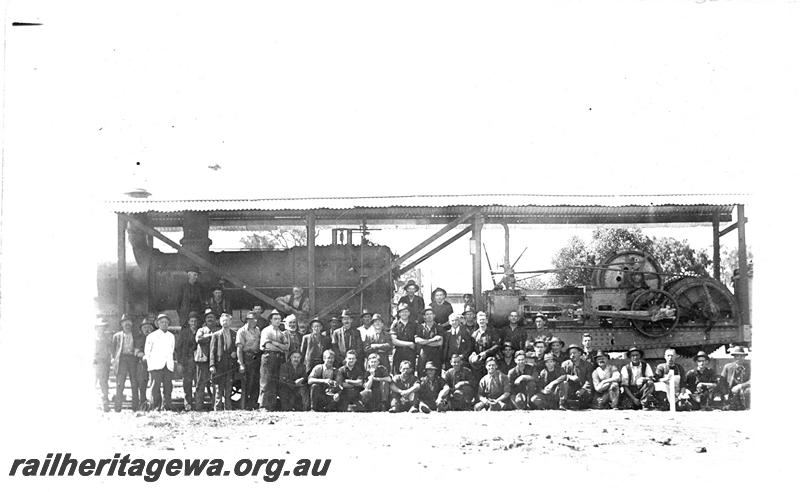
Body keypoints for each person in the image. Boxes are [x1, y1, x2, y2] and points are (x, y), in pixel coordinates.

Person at [144, 313, 176, 411]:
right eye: (162, 322)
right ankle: (156, 406)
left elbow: (172, 350)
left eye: (166, 322)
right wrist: (151, 365)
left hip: (167, 365)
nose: (164, 324)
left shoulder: (171, 336)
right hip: (156, 365)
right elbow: (147, 352)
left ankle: (167, 406)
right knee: (155, 387)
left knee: (168, 387)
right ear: (158, 324)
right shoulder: (152, 336)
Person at [111, 314, 142, 412]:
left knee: (134, 383)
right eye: (125, 322)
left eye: (129, 322)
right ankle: (118, 407)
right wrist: (114, 360)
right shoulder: (117, 336)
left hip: (132, 359)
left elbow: (138, 346)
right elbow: (113, 350)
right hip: (122, 360)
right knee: (120, 383)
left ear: (131, 324)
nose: (127, 324)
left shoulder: (136, 334)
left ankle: (135, 407)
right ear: (122, 324)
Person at [259, 309, 289, 411]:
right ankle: (263, 406)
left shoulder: (281, 332)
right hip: (268, 356)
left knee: (275, 381)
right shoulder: (266, 331)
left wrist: (275, 343)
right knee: (266, 381)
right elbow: (267, 345)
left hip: (278, 358)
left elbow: (286, 347)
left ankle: (271, 405)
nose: (278, 321)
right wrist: (280, 348)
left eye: (279, 319)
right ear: (270, 320)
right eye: (275, 319)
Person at [209, 313, 238, 411]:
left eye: (227, 321)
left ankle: (228, 407)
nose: (225, 322)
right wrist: (212, 365)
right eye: (223, 321)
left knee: (229, 387)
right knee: (218, 387)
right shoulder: (216, 335)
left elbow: (236, 348)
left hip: (230, 364)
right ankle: (217, 408)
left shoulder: (234, 334)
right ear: (220, 322)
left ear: (230, 322)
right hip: (219, 364)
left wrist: (235, 353)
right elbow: (212, 351)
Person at [236, 311, 262, 410]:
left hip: (256, 357)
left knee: (256, 382)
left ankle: (253, 403)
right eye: (251, 319)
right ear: (247, 320)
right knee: (248, 382)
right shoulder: (242, 331)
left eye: (255, 319)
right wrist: (241, 363)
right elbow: (239, 349)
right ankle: (245, 404)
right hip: (247, 357)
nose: (254, 321)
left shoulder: (257, 330)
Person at [176, 311, 201, 411]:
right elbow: (179, 348)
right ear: (189, 322)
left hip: (198, 361)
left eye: (195, 321)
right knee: (187, 383)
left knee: (198, 382)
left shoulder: (200, 331)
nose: (193, 323)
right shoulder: (184, 332)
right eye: (192, 321)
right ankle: (188, 404)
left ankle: (199, 404)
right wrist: (180, 362)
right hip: (187, 361)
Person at [193, 309, 217, 411]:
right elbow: (199, 339)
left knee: (216, 384)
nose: (210, 319)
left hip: (215, 361)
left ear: (216, 319)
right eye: (208, 318)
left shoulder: (218, 330)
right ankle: (199, 407)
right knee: (200, 384)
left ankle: (215, 406)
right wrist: (211, 336)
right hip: (202, 360)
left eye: (212, 317)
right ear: (205, 320)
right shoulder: (201, 330)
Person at [468, 311, 502, 380]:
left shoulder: (493, 332)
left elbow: (497, 345)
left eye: (483, 319)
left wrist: (486, 353)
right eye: (480, 320)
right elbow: (471, 347)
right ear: (477, 321)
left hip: (491, 360)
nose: (481, 321)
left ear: (486, 321)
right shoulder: (474, 334)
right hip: (479, 362)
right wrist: (473, 353)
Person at [560, 344, 593, 410]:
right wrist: (569, 376)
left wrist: (583, 389)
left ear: (579, 353)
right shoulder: (565, 364)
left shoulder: (587, 365)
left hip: (583, 390)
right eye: (570, 353)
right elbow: (560, 377)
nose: (572, 355)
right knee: (564, 383)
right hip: (569, 390)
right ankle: (563, 403)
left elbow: (589, 380)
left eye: (574, 353)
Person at [390, 303, 418, 374]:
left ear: (409, 313)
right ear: (399, 314)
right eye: (402, 312)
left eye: (406, 312)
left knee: (410, 373)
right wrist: (409, 344)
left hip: (410, 353)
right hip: (399, 352)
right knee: (397, 373)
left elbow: (417, 338)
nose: (404, 314)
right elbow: (394, 341)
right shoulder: (395, 325)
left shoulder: (414, 325)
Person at [720, 346, 750, 410]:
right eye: (737, 356)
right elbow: (722, 382)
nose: (739, 358)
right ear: (734, 357)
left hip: (743, 392)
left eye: (741, 356)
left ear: (744, 357)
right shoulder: (728, 367)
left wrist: (741, 386)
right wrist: (725, 394)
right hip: (730, 393)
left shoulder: (749, 367)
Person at [415, 308, 443, 377]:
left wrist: (424, 342)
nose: (429, 316)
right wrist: (432, 340)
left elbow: (440, 342)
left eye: (431, 314)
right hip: (423, 353)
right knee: (421, 373)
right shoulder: (420, 327)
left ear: (434, 315)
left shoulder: (439, 327)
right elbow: (417, 340)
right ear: (424, 316)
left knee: (436, 374)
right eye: (427, 314)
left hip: (435, 354)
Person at [135, 319, 155, 411]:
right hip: (142, 364)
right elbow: (136, 351)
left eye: (149, 328)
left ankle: (153, 403)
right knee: (142, 384)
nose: (147, 330)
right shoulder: (139, 339)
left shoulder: (155, 338)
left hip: (154, 363)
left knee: (154, 384)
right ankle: (142, 402)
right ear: (141, 329)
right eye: (145, 328)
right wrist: (144, 356)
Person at [94, 318, 112, 412]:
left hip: (104, 364)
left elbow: (109, 351)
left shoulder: (107, 339)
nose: (101, 329)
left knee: (104, 384)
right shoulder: (91, 338)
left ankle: (105, 403)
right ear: (96, 328)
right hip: (93, 364)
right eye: (99, 327)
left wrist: (108, 360)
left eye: (103, 327)